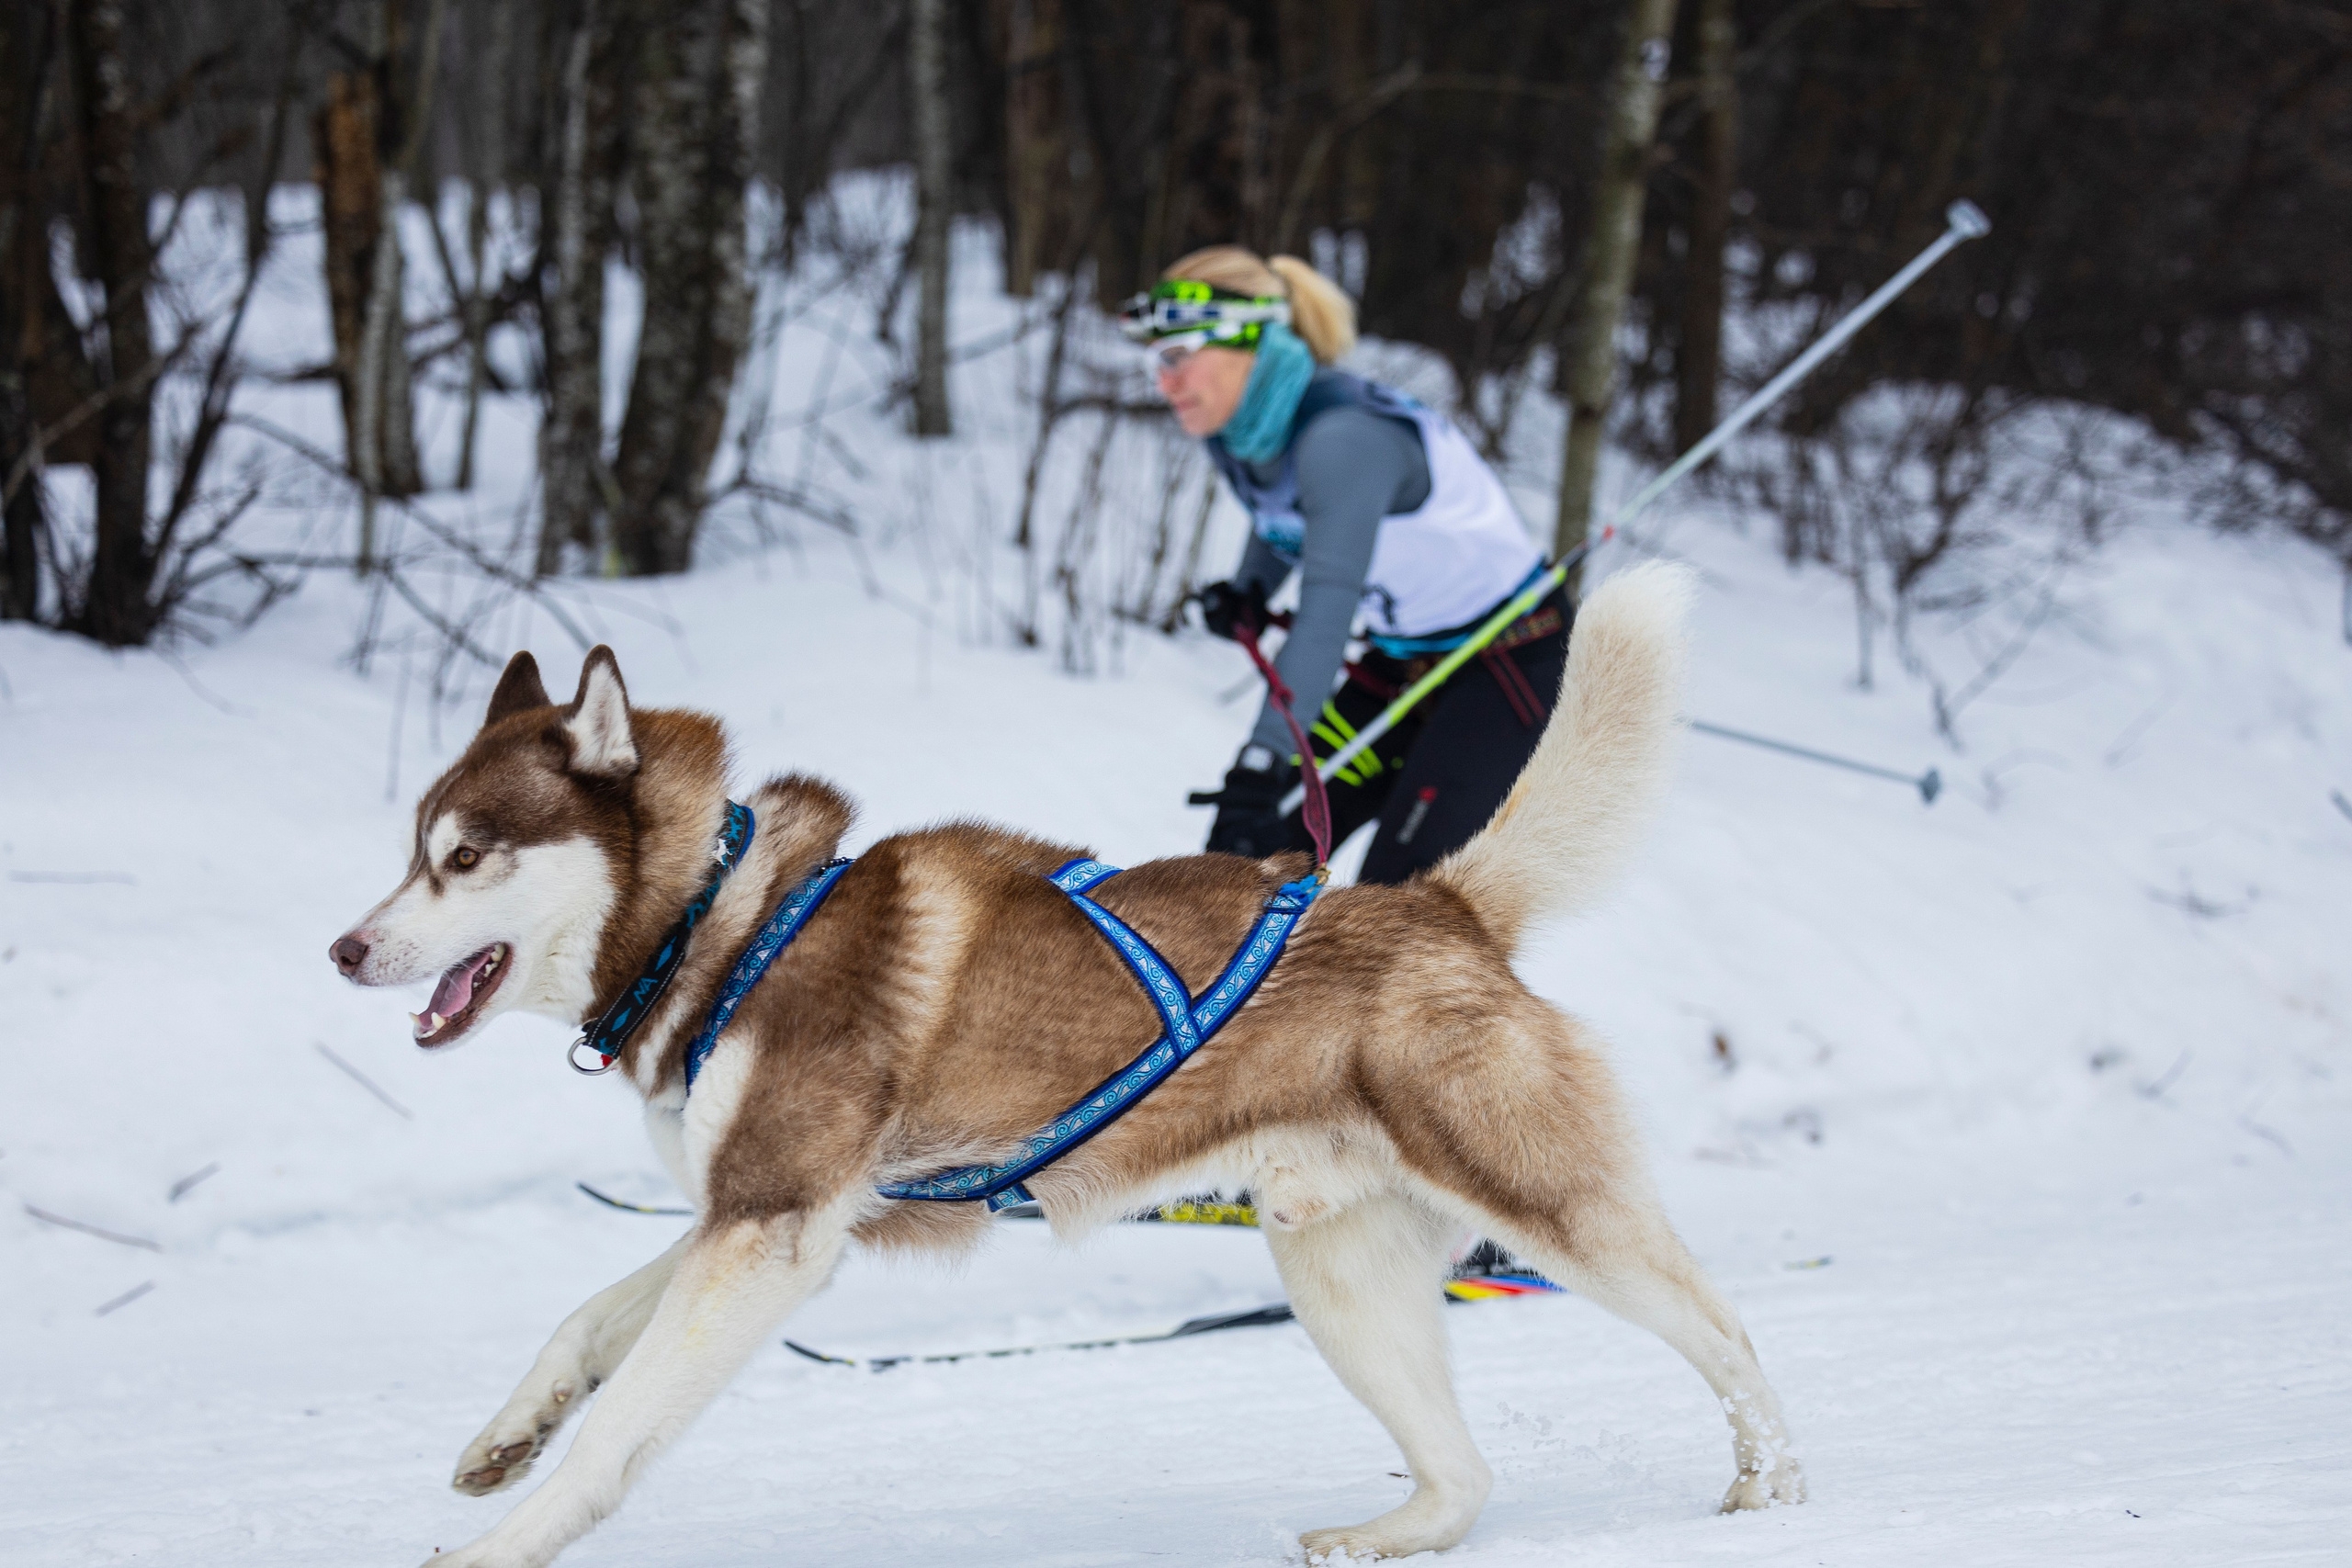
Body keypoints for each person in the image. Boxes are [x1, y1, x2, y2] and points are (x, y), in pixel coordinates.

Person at [1125, 246, 1573, 884]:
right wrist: (1252, 590)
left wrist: (1262, 761)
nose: (1163, 382)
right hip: (1402, 662)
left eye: (1177, 357)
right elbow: (1283, 521)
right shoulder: (1244, 430)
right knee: (1252, 868)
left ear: (1250, 345)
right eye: (1155, 360)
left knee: (1398, 909)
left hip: (1503, 665)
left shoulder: (1342, 438)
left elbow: (1325, 616)